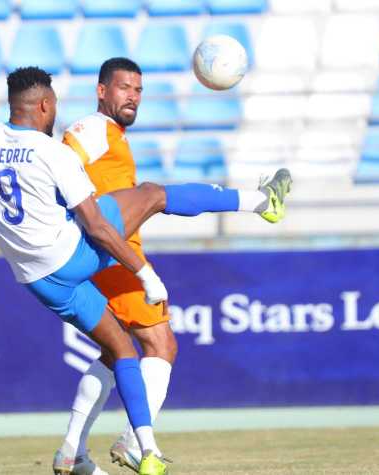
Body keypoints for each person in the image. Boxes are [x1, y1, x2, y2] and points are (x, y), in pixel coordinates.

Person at [0, 67, 292, 475]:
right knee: (152, 196)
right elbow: (100, 230)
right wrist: (144, 273)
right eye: (55, 104)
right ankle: (259, 202)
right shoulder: (59, 151)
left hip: (38, 280)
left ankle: (114, 453)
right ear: (43, 105)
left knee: (120, 347)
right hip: (78, 253)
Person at [56, 57, 281, 475]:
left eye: (138, 90)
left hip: (104, 251)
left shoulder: (113, 135)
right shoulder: (92, 129)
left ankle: (71, 449)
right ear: (101, 90)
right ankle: (130, 443)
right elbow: (64, 162)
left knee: (113, 351)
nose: (133, 97)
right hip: (114, 253)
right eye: (124, 88)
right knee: (161, 345)